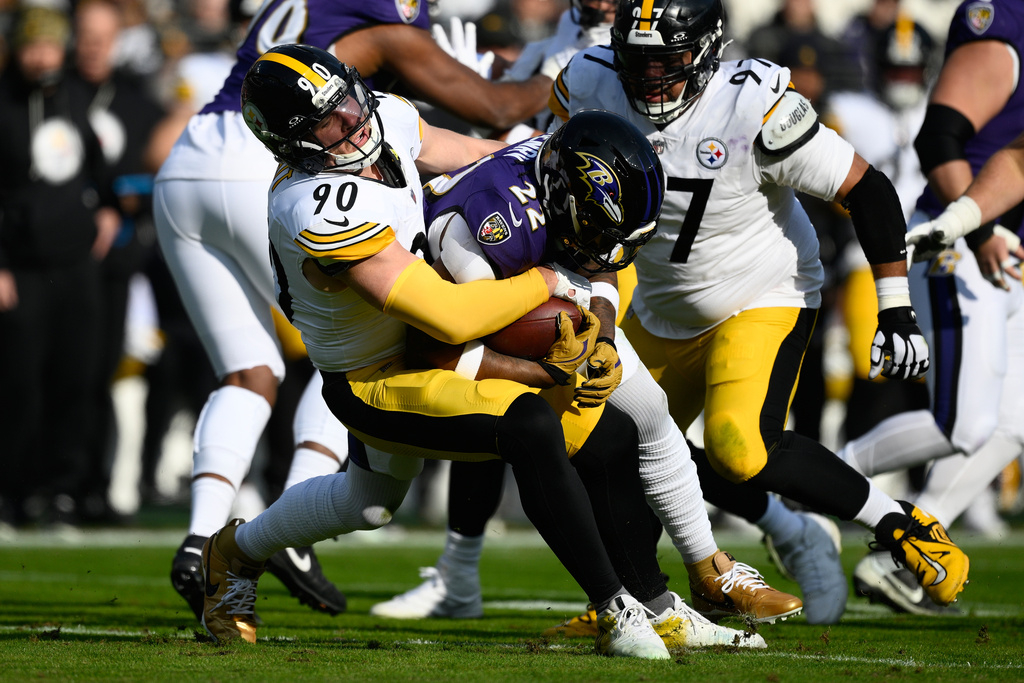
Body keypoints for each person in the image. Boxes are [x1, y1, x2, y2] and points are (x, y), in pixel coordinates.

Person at [198, 43, 755, 659]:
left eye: (350, 100)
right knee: (522, 431)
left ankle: (656, 605)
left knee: (606, 438)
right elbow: (447, 313)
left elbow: (477, 159)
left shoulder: (381, 117)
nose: (353, 120)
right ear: (293, 142)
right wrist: (549, 283)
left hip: (443, 341)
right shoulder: (314, 206)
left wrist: (551, 172)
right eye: (329, 120)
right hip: (376, 374)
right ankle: (612, 609)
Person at [548, 0, 970, 615]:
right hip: (660, 302)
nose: (650, 78)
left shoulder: (751, 104)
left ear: (709, 48)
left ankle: (899, 523)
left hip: (763, 291)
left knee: (739, 446)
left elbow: (867, 189)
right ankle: (632, 605)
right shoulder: (588, 81)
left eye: (668, 60)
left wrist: (895, 307)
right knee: (593, 445)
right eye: (638, 62)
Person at [155, 0, 555, 623]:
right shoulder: (368, 59)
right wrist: (559, 74)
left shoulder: (360, 99)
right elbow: (493, 108)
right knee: (352, 337)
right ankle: (293, 524)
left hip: (190, 163)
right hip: (277, 168)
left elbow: (458, 141)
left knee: (250, 374)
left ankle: (207, 538)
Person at [373, 109, 804, 635]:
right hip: (435, 345)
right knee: (367, 502)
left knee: (649, 412)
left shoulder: (560, 179)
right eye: (600, 228)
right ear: (558, 197)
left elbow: (600, 263)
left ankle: (708, 572)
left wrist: (599, 335)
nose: (609, 245)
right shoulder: (482, 233)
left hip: (538, 293)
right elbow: (437, 347)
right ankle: (620, 602)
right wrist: (541, 371)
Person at [840, 0, 1024, 615]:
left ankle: (906, 554)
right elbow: (941, 136)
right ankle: (824, 477)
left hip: (1009, 241)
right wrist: (975, 228)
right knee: (962, 423)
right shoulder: (1007, 21)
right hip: (965, 234)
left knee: (1013, 423)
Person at [0, 6, 120, 528]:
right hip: (20, 266)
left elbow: (100, 167)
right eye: (33, 47)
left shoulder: (74, 98)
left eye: (50, 46)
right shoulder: (2, 105)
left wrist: (111, 209)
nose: (42, 56)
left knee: (78, 377)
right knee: (20, 383)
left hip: (76, 265)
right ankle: (14, 490)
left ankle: (64, 490)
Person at [72, 0, 167, 524]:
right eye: (85, 35)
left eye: (101, 37)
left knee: (102, 375)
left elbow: (149, 174)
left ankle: (96, 486)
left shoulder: (135, 102)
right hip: (50, 260)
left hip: (116, 265)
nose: (92, 47)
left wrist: (115, 202)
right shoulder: (55, 92)